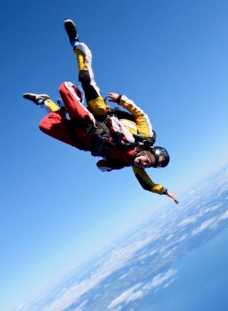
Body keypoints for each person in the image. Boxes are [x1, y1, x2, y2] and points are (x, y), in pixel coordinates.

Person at [23, 19, 178, 204]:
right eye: (148, 158)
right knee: (75, 85)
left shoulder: (129, 164)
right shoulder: (144, 137)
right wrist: (122, 100)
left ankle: (45, 102)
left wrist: (163, 191)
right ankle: (77, 45)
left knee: (46, 125)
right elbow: (141, 115)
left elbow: (146, 184)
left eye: (149, 165)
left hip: (85, 140)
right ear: (148, 151)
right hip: (100, 118)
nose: (145, 163)